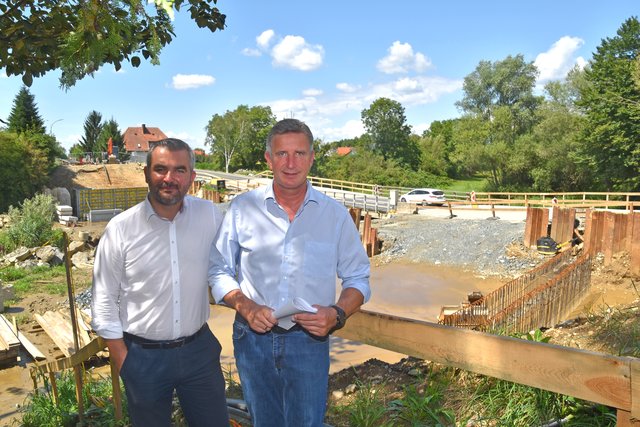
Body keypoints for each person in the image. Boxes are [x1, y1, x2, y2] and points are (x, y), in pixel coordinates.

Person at [210, 118, 371, 427]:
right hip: (252, 339)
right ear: (269, 159)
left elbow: (358, 279)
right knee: (264, 422)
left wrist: (337, 313)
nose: (291, 163)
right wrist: (246, 306)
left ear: (311, 158)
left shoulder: (334, 215)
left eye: (299, 153)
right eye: (282, 154)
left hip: (309, 341)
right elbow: (218, 269)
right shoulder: (243, 209)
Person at [90, 138, 229, 426]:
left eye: (180, 170)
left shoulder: (210, 216)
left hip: (199, 352)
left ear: (192, 176)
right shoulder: (121, 229)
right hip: (143, 357)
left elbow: (230, 265)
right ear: (146, 173)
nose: (169, 178)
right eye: (161, 169)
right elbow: (103, 300)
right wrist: (124, 361)